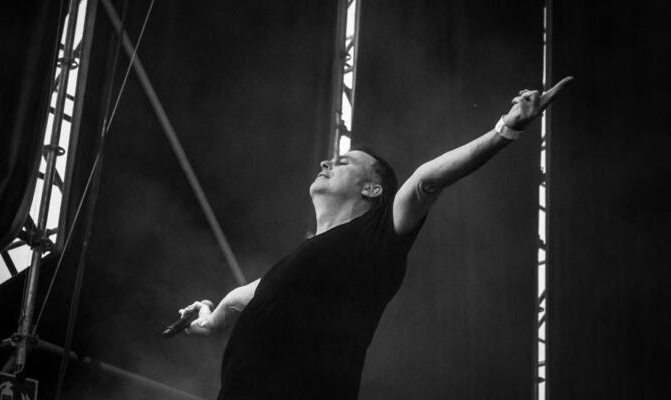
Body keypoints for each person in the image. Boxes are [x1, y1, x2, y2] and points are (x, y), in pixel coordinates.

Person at [178, 77, 573, 399]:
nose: (327, 162)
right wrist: (210, 321)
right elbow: (240, 297)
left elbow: (425, 180)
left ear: (371, 189)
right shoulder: (294, 268)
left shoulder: (376, 236)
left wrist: (506, 129)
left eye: (344, 162)